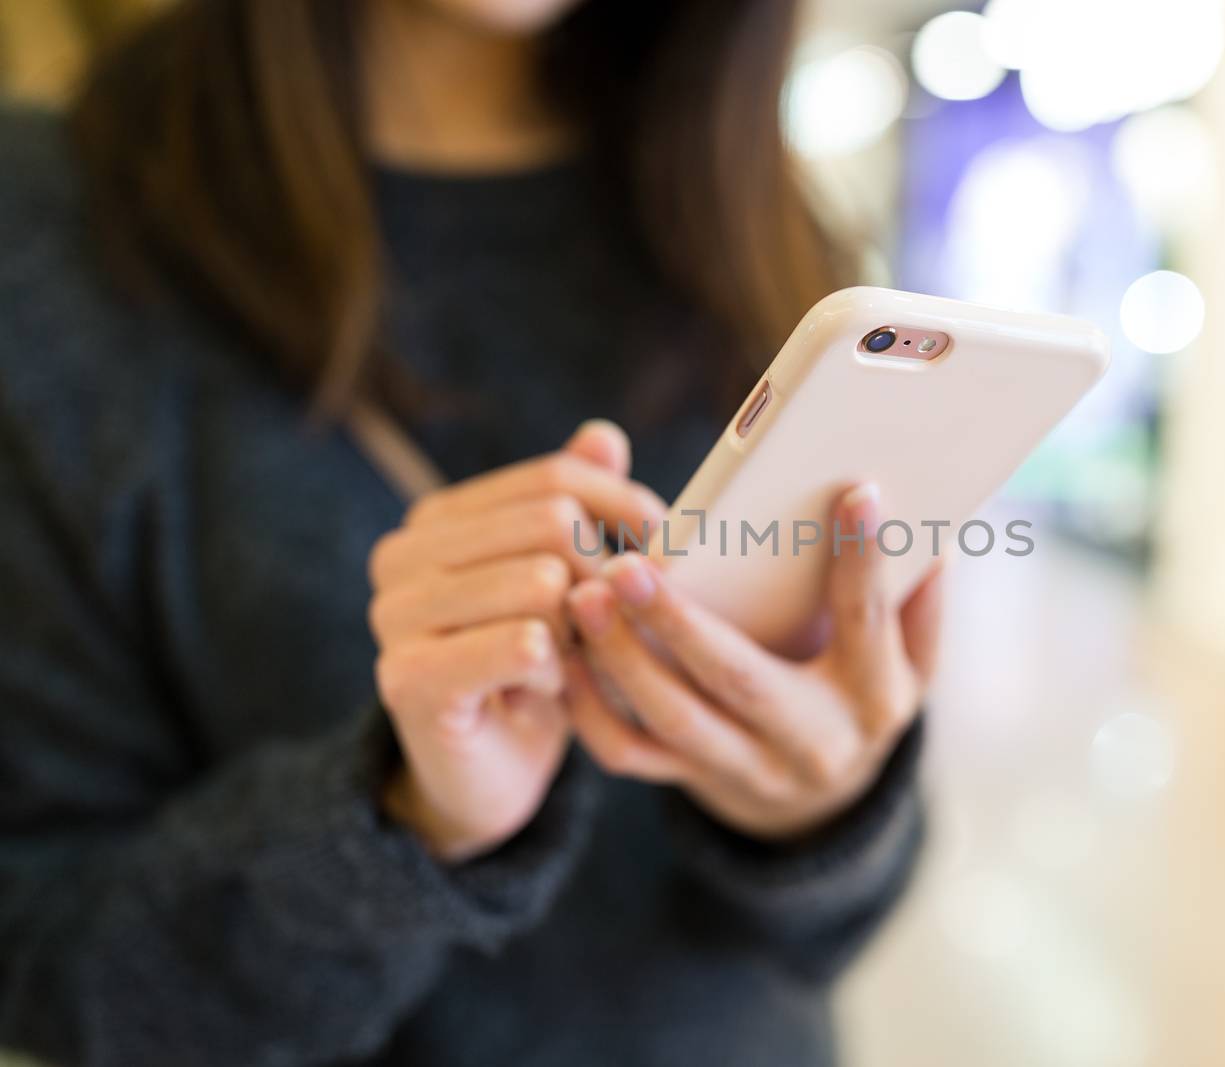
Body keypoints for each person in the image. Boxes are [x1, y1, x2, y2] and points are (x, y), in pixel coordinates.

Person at [0, 1, 944, 1064]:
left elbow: (823, 937)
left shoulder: (752, 206)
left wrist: (819, 811)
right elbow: (51, 974)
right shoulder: (51, 229)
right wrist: (406, 822)